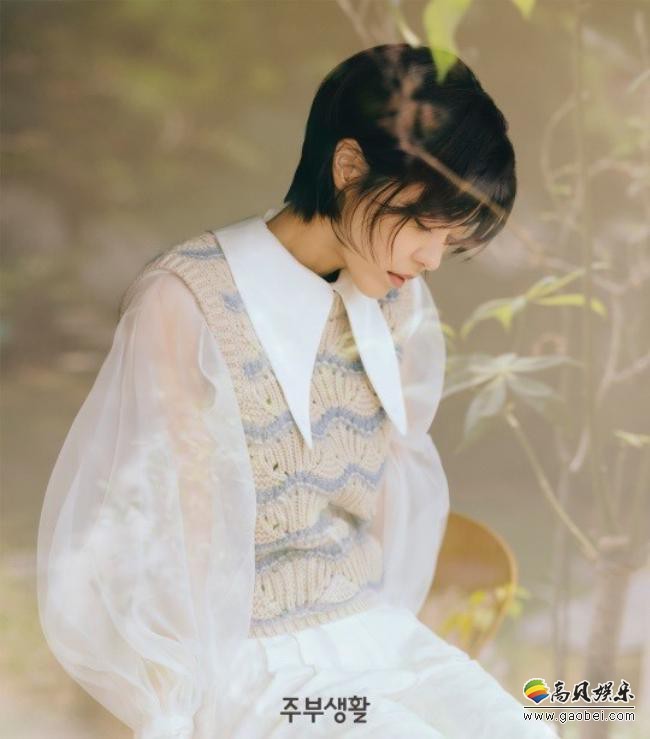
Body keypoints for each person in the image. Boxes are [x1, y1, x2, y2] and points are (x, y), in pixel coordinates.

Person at [36, 43, 558, 738]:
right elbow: (165, 533)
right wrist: (172, 711)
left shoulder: (398, 302)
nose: (433, 258)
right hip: (251, 659)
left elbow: (395, 496)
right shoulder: (187, 300)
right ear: (349, 168)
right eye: (424, 224)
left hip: (373, 633)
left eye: (451, 237)